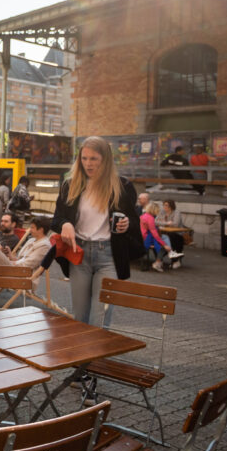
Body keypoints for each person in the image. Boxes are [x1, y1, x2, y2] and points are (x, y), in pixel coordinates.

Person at [52, 136, 142, 327]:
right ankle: (83, 357)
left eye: (94, 159)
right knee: (80, 317)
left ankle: (96, 357)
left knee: (99, 320)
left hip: (109, 256)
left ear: (105, 160)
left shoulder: (122, 186)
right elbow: (57, 218)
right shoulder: (70, 185)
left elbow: (135, 221)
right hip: (79, 255)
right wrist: (65, 224)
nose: (88, 164)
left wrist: (127, 223)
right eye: (84, 158)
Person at [140, 202, 172, 272]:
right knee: (164, 244)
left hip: (142, 237)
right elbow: (154, 233)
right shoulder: (150, 218)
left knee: (165, 239)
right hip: (147, 239)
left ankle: (159, 261)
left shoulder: (143, 216)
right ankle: (159, 261)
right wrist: (164, 245)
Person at [156, 199, 185, 268]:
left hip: (177, 233)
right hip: (165, 232)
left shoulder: (176, 212)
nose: (165, 207)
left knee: (171, 239)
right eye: (164, 205)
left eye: (167, 205)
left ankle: (174, 260)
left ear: (171, 206)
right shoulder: (162, 212)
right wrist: (167, 223)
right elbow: (155, 221)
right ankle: (170, 260)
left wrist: (162, 223)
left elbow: (175, 224)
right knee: (160, 239)